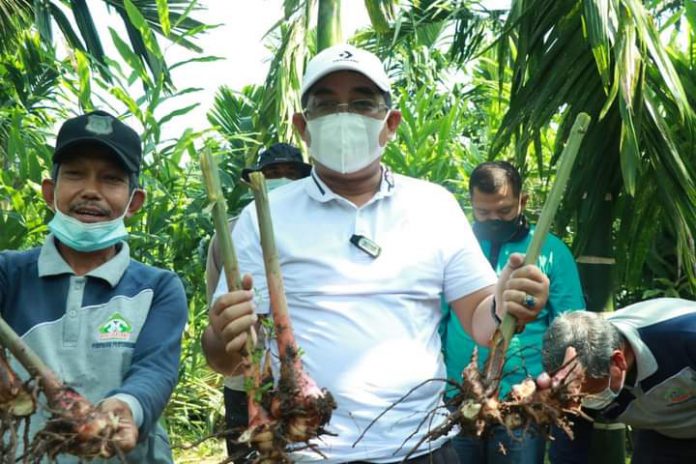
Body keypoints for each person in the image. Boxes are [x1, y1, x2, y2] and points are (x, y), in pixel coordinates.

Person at [202, 44, 550, 463]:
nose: (344, 116)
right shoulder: (265, 216)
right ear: (302, 126)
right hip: (304, 450)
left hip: (423, 448)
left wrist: (505, 302)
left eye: (363, 104)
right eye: (326, 106)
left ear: (390, 124)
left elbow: (480, 316)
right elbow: (228, 358)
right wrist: (223, 336)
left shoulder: (432, 205)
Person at [0, 110, 188, 463]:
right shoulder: (9, 273)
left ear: (134, 203)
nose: (91, 191)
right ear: (50, 191)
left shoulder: (158, 288)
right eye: (75, 175)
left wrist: (125, 408)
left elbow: (155, 369)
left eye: (111, 179)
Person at [440, 161, 586, 463]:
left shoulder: (551, 251)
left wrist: (557, 383)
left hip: (522, 399)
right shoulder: (457, 247)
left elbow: (571, 324)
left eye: (504, 211)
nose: (493, 219)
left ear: (523, 201)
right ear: (472, 204)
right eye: (483, 213)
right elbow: (438, 318)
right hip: (458, 395)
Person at [202, 142, 311, 457]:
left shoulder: (315, 229)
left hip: (299, 377)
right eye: (272, 173)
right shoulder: (230, 231)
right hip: (244, 379)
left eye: (290, 174)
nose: (280, 180)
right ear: (255, 181)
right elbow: (218, 306)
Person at [541, 298, 696, 464]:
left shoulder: (686, 337)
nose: (582, 402)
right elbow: (568, 452)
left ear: (618, 361)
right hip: (662, 432)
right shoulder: (573, 381)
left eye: (589, 394)